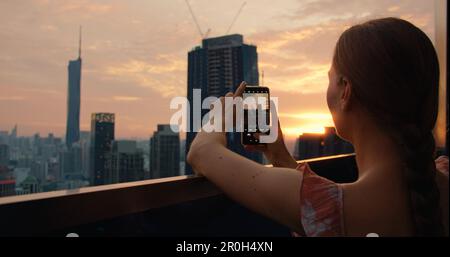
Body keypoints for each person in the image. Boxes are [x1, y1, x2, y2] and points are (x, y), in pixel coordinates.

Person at [187, 17, 449, 236]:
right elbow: (314, 204)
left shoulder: (339, 209)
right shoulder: (438, 180)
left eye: (330, 78)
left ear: (345, 90)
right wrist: (278, 155)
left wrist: (219, 116)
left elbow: (201, 152)